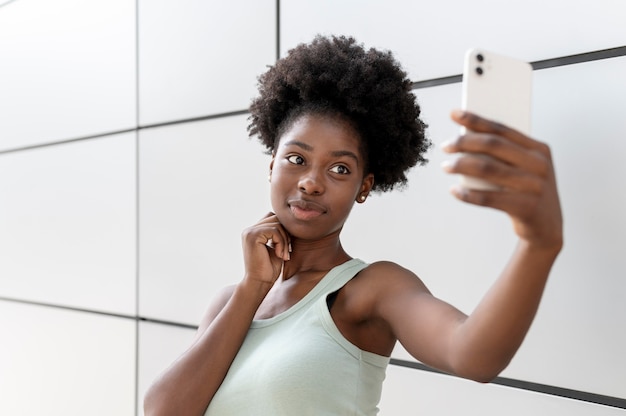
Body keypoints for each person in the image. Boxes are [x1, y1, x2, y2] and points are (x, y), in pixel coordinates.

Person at [143, 35, 563, 415]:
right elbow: (164, 411)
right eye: (296, 159)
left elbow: (474, 355)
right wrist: (253, 286)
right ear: (271, 166)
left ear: (364, 187)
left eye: (339, 168)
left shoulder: (370, 290)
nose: (310, 181)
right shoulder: (230, 303)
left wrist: (538, 244)